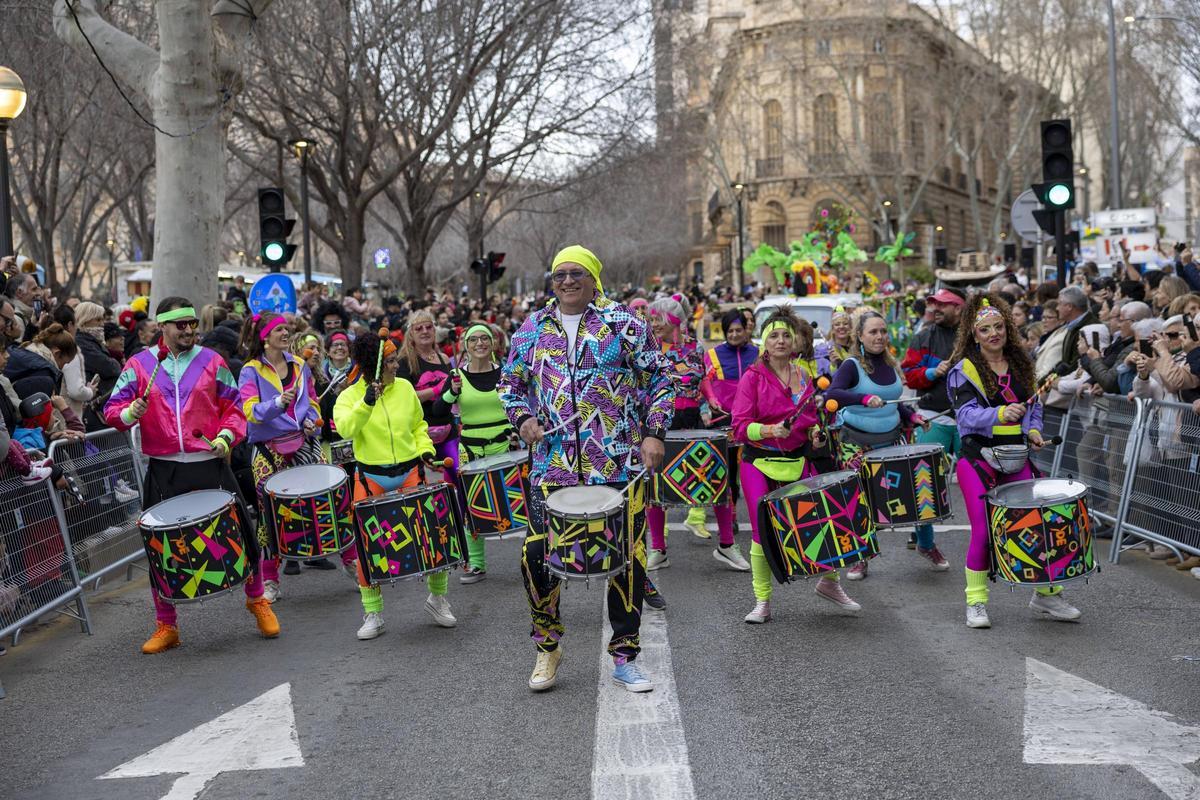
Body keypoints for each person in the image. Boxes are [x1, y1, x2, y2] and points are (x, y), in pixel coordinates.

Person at [499, 245, 673, 693]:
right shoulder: (534, 327)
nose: (567, 281)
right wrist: (522, 419)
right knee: (535, 556)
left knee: (626, 561)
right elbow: (509, 383)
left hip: (615, 463)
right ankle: (547, 645)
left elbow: (660, 379)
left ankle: (625, 654)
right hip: (551, 466)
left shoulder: (624, 324)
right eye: (559, 274)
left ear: (594, 278)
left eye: (577, 273)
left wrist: (654, 432)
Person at [103, 298, 278, 653]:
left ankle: (257, 600)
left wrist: (227, 436)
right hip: (164, 467)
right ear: (162, 327)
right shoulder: (139, 365)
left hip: (209, 461)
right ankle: (166, 625)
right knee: (157, 548)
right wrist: (129, 412)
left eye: (192, 323)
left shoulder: (212, 362)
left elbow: (234, 409)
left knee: (242, 533)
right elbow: (111, 409)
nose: (188, 330)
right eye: (180, 324)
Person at [946, 294, 1080, 629]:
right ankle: (976, 602)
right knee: (983, 531)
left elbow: (1034, 410)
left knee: (1038, 522)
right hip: (978, 458)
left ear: (1007, 328)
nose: (994, 333)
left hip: (1016, 457)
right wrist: (1000, 413)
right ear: (973, 335)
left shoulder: (1023, 365)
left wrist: (1033, 431)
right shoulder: (965, 371)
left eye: (998, 327)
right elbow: (965, 417)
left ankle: (1046, 594)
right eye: (985, 329)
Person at [731, 309, 858, 622]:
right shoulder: (752, 377)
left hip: (798, 458)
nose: (781, 340)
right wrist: (770, 430)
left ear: (795, 341)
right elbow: (739, 427)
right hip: (759, 461)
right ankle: (762, 601)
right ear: (764, 341)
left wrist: (815, 433)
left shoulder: (803, 374)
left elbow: (811, 418)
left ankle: (829, 583)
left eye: (786, 335)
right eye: (774, 335)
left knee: (822, 519)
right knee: (762, 532)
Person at [332, 332, 457, 640]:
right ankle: (373, 612)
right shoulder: (348, 396)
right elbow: (346, 429)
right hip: (371, 476)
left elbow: (417, 425)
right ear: (370, 366)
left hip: (410, 469)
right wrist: (366, 403)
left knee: (431, 534)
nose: (396, 365)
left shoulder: (404, 388)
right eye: (390, 361)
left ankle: (437, 598)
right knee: (366, 546)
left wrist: (426, 448)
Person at [238, 312, 341, 602]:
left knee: (328, 501)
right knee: (270, 515)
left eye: (287, 329)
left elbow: (311, 402)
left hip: (303, 442)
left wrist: (311, 420)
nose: (286, 333)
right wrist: (275, 404)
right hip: (268, 450)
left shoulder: (299, 365)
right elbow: (250, 411)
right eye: (280, 329)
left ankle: (350, 562)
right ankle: (270, 580)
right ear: (265, 336)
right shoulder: (250, 371)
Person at [826, 309, 928, 580]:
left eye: (883, 331)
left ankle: (926, 544)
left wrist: (913, 416)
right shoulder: (851, 365)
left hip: (891, 439)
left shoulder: (891, 363)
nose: (880, 336)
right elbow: (832, 393)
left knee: (896, 498)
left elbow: (895, 403)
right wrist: (863, 398)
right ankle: (860, 557)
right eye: (873, 331)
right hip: (856, 442)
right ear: (859, 336)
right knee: (860, 501)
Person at [431, 323, 513, 583]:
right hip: (471, 448)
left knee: (516, 501)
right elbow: (438, 413)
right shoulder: (456, 376)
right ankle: (476, 562)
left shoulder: (506, 373)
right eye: (473, 339)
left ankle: (535, 555)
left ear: (493, 343)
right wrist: (452, 392)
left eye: (485, 339)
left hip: (505, 445)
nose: (480, 343)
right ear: (465, 346)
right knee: (471, 505)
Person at [644, 295, 714, 568]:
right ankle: (658, 547)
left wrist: (711, 400)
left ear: (674, 321)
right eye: (652, 319)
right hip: (660, 422)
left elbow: (704, 378)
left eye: (657, 319)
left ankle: (724, 542)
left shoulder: (695, 348)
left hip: (692, 418)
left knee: (704, 476)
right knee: (655, 484)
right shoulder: (649, 349)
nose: (653, 324)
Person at [900, 288, 964, 569]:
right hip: (932, 417)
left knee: (983, 481)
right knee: (924, 484)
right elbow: (909, 376)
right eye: (933, 304)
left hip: (971, 419)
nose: (935, 309)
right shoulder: (924, 336)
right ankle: (926, 542)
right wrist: (931, 372)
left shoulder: (976, 335)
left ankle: (992, 541)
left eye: (942, 304)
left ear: (959, 307)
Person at [694, 309, 757, 569]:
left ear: (746, 330)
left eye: (738, 330)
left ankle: (759, 523)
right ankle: (729, 518)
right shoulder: (712, 355)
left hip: (753, 424)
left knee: (751, 472)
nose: (733, 335)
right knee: (727, 475)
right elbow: (703, 384)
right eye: (729, 331)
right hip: (725, 425)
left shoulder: (758, 355)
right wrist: (707, 410)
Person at [396, 310, 458, 481]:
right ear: (411, 334)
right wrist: (438, 389)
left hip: (447, 428)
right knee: (428, 487)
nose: (425, 331)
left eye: (429, 327)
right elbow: (407, 398)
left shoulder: (444, 358)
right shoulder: (404, 362)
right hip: (420, 433)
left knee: (458, 476)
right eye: (419, 328)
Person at [814, 306, 852, 375]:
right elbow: (824, 378)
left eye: (845, 324)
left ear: (850, 327)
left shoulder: (858, 348)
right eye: (837, 324)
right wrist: (833, 365)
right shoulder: (824, 351)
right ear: (832, 329)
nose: (841, 327)